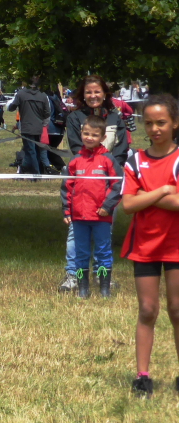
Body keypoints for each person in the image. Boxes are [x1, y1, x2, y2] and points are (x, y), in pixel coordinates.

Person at [118, 94, 179, 398]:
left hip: (176, 244)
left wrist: (148, 194)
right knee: (147, 309)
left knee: (177, 309)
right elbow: (128, 205)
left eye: (161, 122)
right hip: (145, 245)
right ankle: (142, 376)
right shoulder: (135, 160)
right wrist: (164, 190)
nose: (155, 128)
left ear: (175, 123)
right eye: (149, 123)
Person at [59, 76, 133, 293]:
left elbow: (122, 147)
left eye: (97, 91)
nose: (93, 96)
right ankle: (73, 275)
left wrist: (109, 167)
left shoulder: (115, 117)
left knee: (104, 235)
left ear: (104, 93)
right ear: (83, 94)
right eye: (88, 92)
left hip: (108, 184)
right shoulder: (75, 117)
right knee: (75, 234)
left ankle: (103, 277)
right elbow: (76, 147)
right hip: (83, 183)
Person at [61, 117, 121, 299]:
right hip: (79, 217)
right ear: (81, 134)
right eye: (86, 133)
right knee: (81, 253)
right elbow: (67, 187)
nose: (89, 137)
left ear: (103, 137)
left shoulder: (108, 159)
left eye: (94, 135)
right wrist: (67, 210)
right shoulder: (75, 160)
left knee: (103, 251)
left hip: (101, 216)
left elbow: (118, 185)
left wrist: (107, 206)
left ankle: (104, 289)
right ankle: (83, 289)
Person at [8, 77, 51, 180]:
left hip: (27, 127)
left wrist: (12, 105)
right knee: (32, 151)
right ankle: (22, 172)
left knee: (31, 151)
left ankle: (36, 175)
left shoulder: (21, 94)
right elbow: (47, 113)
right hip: (39, 128)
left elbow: (11, 108)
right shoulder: (43, 95)